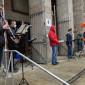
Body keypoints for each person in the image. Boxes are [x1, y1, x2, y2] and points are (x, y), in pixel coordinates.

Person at [0, 4, 10, 70]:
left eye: (1, 9)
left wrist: (4, 29)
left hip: (0, 45)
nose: (1, 11)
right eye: (0, 9)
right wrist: (2, 27)